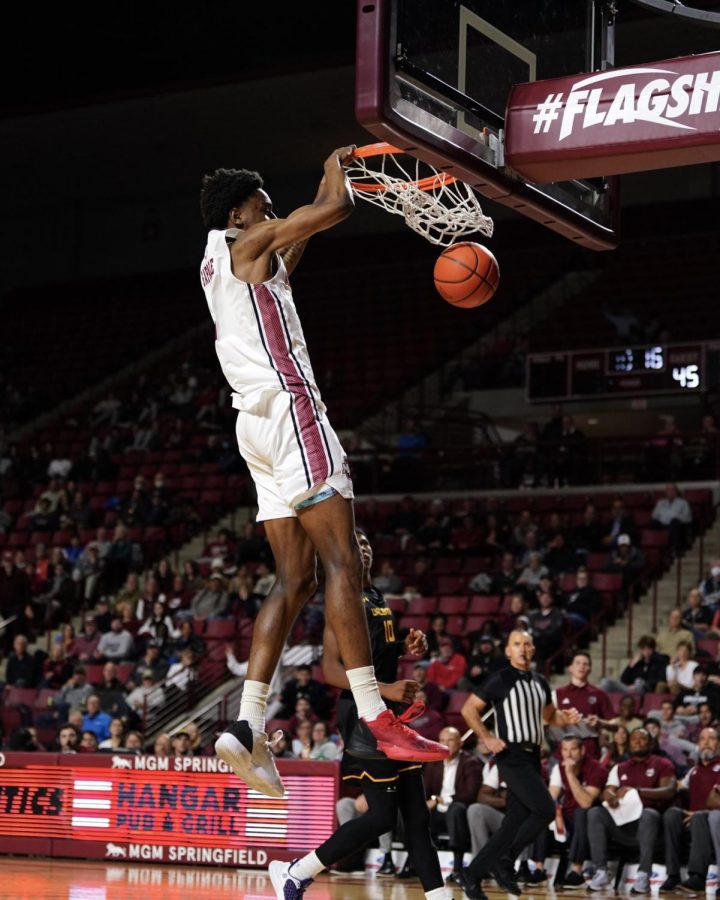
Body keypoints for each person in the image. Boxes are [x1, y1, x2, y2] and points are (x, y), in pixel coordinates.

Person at [201, 149, 446, 799]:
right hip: (291, 413)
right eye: (262, 200)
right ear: (238, 211)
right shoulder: (249, 238)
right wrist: (342, 160)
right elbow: (332, 208)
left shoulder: (236, 262)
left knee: (295, 578)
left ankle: (248, 724)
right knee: (344, 563)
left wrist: (327, 178)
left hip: (253, 428)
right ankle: (377, 714)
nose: (271, 210)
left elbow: (305, 227)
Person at [268, 529, 452, 900]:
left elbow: (370, 655)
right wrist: (386, 689)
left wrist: (403, 646)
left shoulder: (375, 595)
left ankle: (439, 897)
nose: (363, 548)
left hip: (388, 710)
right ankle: (297, 871)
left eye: (367, 542)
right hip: (364, 715)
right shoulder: (342, 596)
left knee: (418, 818)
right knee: (382, 817)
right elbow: (332, 670)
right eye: (355, 543)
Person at [456, 630, 582, 900]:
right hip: (511, 755)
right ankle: (505, 859)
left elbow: (550, 717)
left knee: (514, 822)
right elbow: (468, 709)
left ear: (533, 650)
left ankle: (472, 874)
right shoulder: (501, 679)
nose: (522, 648)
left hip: (532, 756)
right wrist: (487, 737)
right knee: (545, 809)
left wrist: (566, 718)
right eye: (516, 644)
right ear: (509, 651)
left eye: (527, 644)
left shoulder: (540, 682)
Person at [587, 727, 676, 893]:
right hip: (622, 824)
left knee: (648, 814)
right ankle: (600, 871)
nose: (637, 742)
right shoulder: (620, 767)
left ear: (650, 743)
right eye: (634, 739)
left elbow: (669, 791)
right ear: (628, 743)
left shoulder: (663, 764)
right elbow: (608, 790)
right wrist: (609, 796)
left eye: (642, 739)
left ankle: (643, 875)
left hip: (650, 827)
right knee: (595, 813)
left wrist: (637, 791)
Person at [530, 735, 607, 889]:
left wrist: (570, 774)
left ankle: (577, 873)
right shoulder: (558, 768)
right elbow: (550, 798)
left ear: (582, 750)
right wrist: (556, 814)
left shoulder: (597, 769)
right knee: (543, 814)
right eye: (565, 750)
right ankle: (539, 870)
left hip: (588, 822)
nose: (568, 754)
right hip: (566, 818)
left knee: (581, 813)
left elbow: (586, 803)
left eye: (573, 749)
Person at [661, 726, 720, 894]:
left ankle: (698, 878)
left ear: (718, 744)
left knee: (700, 817)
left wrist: (699, 814)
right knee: (672, 814)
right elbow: (676, 786)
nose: (706, 743)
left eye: (711, 739)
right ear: (698, 744)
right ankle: (673, 875)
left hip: (713, 821)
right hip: (693, 822)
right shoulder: (693, 771)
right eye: (702, 739)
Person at [424, 726, 483, 885]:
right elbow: (425, 790)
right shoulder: (434, 763)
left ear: (460, 743)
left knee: (456, 810)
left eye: (450, 740)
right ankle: (417, 864)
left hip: (458, 809)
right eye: (442, 741)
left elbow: (470, 794)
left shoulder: (471, 762)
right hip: (437, 810)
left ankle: (457, 869)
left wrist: (440, 799)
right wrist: (432, 800)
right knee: (419, 813)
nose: (445, 744)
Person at [551, 652, 615, 759]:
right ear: (570, 668)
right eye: (578, 663)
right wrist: (562, 720)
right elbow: (548, 722)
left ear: (590, 669)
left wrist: (600, 723)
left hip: (591, 754)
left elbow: (615, 724)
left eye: (585, 664)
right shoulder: (557, 694)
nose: (582, 666)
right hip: (565, 754)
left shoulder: (599, 694)